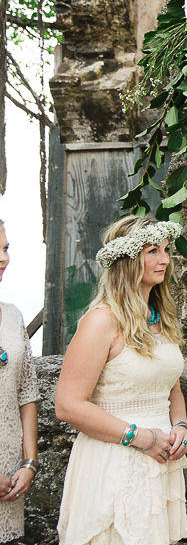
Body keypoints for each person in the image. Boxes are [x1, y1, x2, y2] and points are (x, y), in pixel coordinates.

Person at [55, 215, 187, 545]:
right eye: (152, 251)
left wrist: (183, 426)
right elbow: (67, 405)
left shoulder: (161, 319)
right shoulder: (101, 321)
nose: (165, 259)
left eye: (166, 249)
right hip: (114, 463)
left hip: (160, 464)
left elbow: (170, 386)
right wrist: (141, 437)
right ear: (128, 259)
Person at [0, 220, 40, 543]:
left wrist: (30, 462)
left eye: (5, 248)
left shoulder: (13, 318)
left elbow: (27, 393)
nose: (4, 258)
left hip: (11, 484)